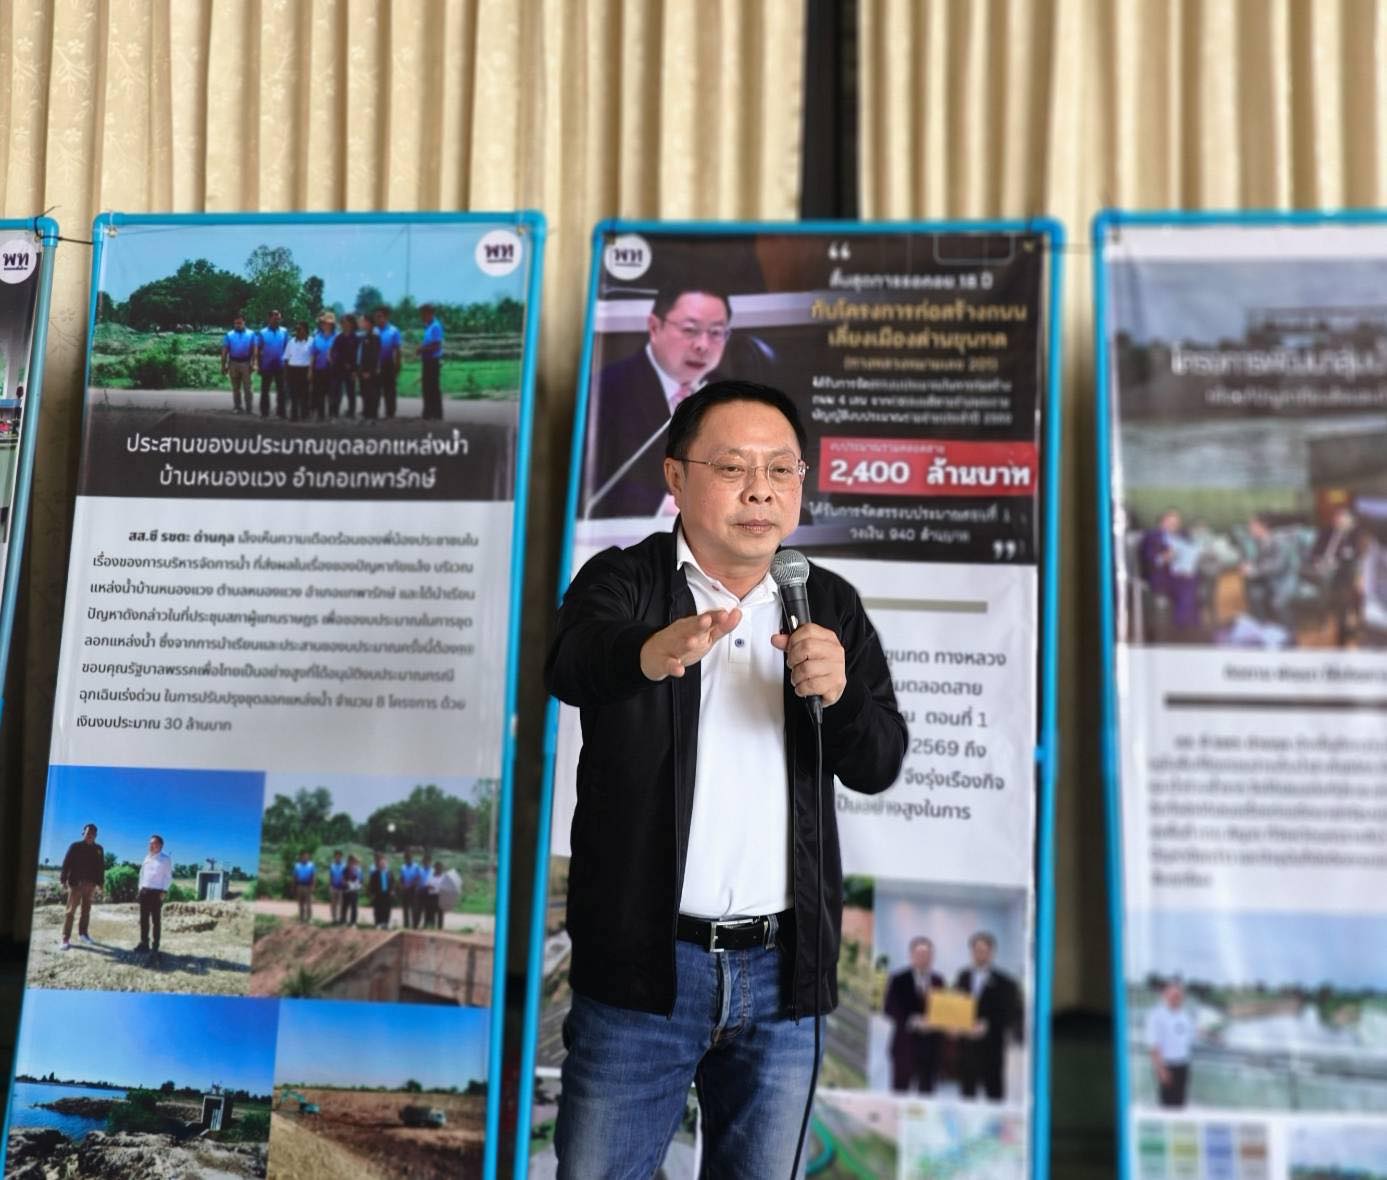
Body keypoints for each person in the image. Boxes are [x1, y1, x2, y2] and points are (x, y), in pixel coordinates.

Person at [546, 380, 906, 1177]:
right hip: (643, 972)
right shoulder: (624, 581)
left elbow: (878, 760)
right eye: (734, 467)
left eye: (781, 470)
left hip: (782, 977)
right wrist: (650, 653)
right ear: (675, 477)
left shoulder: (825, 601)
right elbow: (571, 662)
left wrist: (842, 696)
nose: (760, 491)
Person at [583, 284, 731, 519]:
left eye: (715, 332)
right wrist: (660, 506)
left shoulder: (729, 395)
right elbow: (586, 484)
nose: (702, 345)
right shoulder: (604, 390)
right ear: (654, 327)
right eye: (690, 330)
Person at [953, 931, 1023, 1101]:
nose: (980, 954)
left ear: (992, 952)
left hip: (992, 1047)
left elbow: (1011, 1013)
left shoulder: (1006, 982)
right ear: (971, 952)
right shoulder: (962, 977)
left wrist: (988, 1025)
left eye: (984, 951)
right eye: (976, 950)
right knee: (966, 1094)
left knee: (994, 1092)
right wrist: (954, 1025)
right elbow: (955, 1005)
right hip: (967, 1047)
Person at [884, 936, 946, 1093]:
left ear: (932, 957)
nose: (923, 958)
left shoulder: (938, 981)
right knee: (900, 1092)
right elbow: (889, 1008)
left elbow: (944, 1011)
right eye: (919, 954)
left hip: (931, 1049)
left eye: (927, 954)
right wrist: (913, 1021)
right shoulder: (899, 979)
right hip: (904, 1045)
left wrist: (936, 1022)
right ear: (911, 955)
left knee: (927, 1095)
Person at [1138, 509, 1200, 638]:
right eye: (1171, 522)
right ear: (1162, 522)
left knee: (1192, 581)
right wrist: (1164, 557)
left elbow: (1191, 551)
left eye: (1176, 523)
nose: (1174, 525)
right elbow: (1149, 560)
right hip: (1161, 576)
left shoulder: (1182, 536)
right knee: (1187, 587)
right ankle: (1182, 629)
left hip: (1181, 574)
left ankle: (1188, 628)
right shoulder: (1152, 537)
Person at [1312, 503, 1364, 646]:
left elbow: (1355, 555)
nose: (1339, 520)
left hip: (1342, 570)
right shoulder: (1326, 531)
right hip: (1323, 566)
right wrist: (1319, 562)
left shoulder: (1354, 533)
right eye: (1337, 517)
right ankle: (1325, 618)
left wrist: (1345, 534)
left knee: (1337, 589)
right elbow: (1314, 551)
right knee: (1326, 582)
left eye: (1343, 517)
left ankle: (1339, 621)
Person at [1146, 978, 1195, 1108]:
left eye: (1179, 995)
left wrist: (1213, 1036)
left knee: (1181, 1104)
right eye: (1173, 995)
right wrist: (1161, 1070)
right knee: (1167, 1106)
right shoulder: (1156, 1015)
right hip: (1167, 1066)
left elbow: (1191, 1035)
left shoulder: (1184, 1015)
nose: (1176, 998)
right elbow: (1153, 1046)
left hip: (1183, 1065)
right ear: (1165, 995)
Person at [58, 823, 104, 950]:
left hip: (90, 885)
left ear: (96, 835)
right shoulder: (75, 846)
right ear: (83, 833)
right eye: (88, 833)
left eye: (93, 833)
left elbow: (101, 867)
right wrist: (63, 879)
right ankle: (65, 938)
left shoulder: (99, 849)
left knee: (86, 911)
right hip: (76, 884)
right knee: (70, 912)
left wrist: (100, 883)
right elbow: (66, 863)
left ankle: (83, 934)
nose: (90, 835)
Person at [135, 834, 173, 961]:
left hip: (157, 893)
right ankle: (144, 943)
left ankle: (155, 947)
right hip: (145, 892)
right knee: (143, 920)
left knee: (156, 921)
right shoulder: (147, 857)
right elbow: (142, 874)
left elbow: (168, 877)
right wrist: (140, 889)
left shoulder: (165, 859)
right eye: (150, 843)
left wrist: (164, 891)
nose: (151, 845)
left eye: (154, 843)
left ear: (160, 845)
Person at [255, 309, 289, 419]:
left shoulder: (284, 331)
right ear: (269, 319)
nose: (277, 320)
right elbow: (258, 350)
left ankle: (281, 413)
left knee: (281, 391)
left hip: (280, 365)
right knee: (265, 390)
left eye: (278, 318)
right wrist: (258, 365)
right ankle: (264, 412)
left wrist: (287, 364)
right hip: (266, 365)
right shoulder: (262, 332)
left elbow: (287, 349)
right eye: (275, 318)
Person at [221, 313, 257, 414]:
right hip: (233, 363)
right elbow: (225, 351)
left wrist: (254, 363)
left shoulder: (251, 334)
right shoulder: (229, 335)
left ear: (244, 322)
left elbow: (255, 350)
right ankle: (237, 407)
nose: (238, 325)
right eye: (236, 323)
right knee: (235, 387)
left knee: (248, 387)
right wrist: (223, 365)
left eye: (240, 323)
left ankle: (249, 408)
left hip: (246, 363)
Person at [373, 306, 402, 418]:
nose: (378, 319)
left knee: (389, 389)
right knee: (375, 389)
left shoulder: (394, 331)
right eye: (376, 317)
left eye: (380, 316)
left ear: (386, 317)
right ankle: (373, 412)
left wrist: (398, 365)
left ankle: (390, 413)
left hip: (389, 363)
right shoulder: (374, 331)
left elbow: (397, 349)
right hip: (376, 364)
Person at [329, 312, 358, 418]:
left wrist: (354, 369)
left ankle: (351, 412)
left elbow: (357, 355)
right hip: (338, 368)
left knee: (351, 391)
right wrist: (334, 360)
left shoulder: (356, 338)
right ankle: (335, 411)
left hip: (351, 369)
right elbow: (334, 351)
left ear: (351, 324)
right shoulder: (339, 337)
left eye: (346, 322)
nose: (344, 325)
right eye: (342, 323)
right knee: (336, 391)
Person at [418, 303, 444, 420]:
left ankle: (436, 414)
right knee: (426, 387)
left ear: (430, 313)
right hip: (427, 360)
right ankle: (428, 412)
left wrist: (422, 349)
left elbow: (436, 345)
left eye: (423, 314)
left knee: (433, 387)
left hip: (433, 360)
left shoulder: (435, 326)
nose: (422, 317)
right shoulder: (428, 326)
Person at [283, 320, 313, 421]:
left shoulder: (311, 341)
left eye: (300, 329)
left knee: (305, 394)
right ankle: (294, 415)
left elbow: (314, 357)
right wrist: (286, 373)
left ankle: (305, 414)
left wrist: (311, 372)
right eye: (297, 329)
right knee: (293, 393)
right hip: (293, 370)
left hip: (305, 370)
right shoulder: (291, 342)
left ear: (306, 330)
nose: (298, 331)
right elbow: (286, 358)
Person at [309, 312, 336, 421]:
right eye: (324, 323)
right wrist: (310, 370)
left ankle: (332, 415)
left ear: (332, 325)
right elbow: (312, 355)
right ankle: (321, 415)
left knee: (332, 393)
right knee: (320, 392)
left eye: (329, 323)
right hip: (319, 369)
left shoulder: (337, 337)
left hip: (332, 370)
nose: (326, 325)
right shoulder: (316, 337)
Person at [357, 313, 382, 421]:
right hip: (362, 369)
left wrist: (369, 371)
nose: (360, 323)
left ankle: (372, 415)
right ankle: (366, 413)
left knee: (372, 392)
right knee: (364, 392)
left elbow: (374, 356)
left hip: (370, 370)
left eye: (362, 321)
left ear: (368, 323)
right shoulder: (363, 336)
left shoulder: (374, 337)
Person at [367, 852, 394, 930]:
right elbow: (372, 884)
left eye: (384, 863)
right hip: (378, 894)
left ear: (386, 863)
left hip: (387, 894)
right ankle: (378, 923)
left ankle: (386, 923)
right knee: (378, 908)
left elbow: (392, 883)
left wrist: (392, 890)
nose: (383, 864)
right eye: (381, 863)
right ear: (378, 864)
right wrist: (372, 893)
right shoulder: (375, 874)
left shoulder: (389, 873)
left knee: (387, 909)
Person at [399, 850, 422, 929]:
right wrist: (402, 886)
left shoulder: (416, 866)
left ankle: (415, 925)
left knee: (414, 908)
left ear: (412, 858)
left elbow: (418, 878)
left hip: (413, 890)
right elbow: (401, 878)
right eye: (406, 858)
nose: (408, 859)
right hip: (405, 890)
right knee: (405, 908)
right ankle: (406, 924)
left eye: (409, 857)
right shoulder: (403, 867)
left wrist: (412, 885)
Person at [292, 851, 316, 922]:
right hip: (299, 886)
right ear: (301, 857)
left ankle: (309, 918)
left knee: (309, 903)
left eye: (306, 856)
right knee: (300, 903)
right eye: (303, 856)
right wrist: (293, 887)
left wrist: (313, 886)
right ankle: (301, 918)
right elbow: (295, 877)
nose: (305, 858)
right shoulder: (297, 865)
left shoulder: (311, 865)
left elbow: (313, 876)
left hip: (308, 886)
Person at [422, 861, 446, 929]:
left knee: (440, 913)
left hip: (440, 896)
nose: (438, 869)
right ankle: (432, 926)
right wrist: (429, 887)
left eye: (440, 868)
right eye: (437, 868)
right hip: (432, 896)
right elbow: (426, 885)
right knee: (431, 911)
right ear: (435, 868)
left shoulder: (444, 877)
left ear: (441, 868)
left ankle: (440, 928)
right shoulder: (430, 876)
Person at [341, 854, 363, 927]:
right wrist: (348, 883)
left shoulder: (358, 870)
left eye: (355, 861)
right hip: (346, 890)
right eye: (353, 861)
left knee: (354, 907)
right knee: (345, 906)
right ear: (349, 861)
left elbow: (361, 880)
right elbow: (343, 880)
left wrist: (359, 885)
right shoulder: (345, 869)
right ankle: (343, 921)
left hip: (354, 891)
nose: (354, 863)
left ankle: (353, 922)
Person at [327, 850, 347, 925]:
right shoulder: (332, 866)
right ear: (335, 857)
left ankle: (341, 918)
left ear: (341, 857)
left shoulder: (344, 866)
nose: (338, 857)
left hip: (341, 888)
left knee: (342, 904)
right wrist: (330, 886)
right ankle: (334, 919)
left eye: (339, 856)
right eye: (337, 856)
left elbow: (346, 876)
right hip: (333, 887)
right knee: (333, 904)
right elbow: (330, 876)